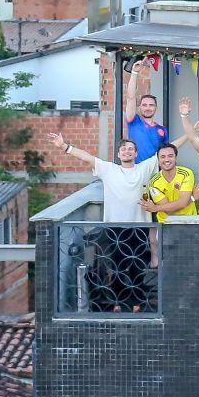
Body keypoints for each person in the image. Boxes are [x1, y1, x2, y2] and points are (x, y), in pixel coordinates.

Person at [49, 131, 158, 312]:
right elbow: (88, 158)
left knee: (137, 266)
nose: (127, 151)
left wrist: (188, 132)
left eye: (131, 149)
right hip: (114, 227)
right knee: (116, 267)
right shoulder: (109, 169)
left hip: (139, 226)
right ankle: (118, 302)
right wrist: (64, 146)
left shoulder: (144, 169)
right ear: (118, 154)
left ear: (136, 154)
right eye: (123, 149)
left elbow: (166, 152)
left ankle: (136, 302)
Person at [121, 62, 170, 162]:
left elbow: (166, 153)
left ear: (156, 108)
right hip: (135, 169)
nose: (148, 108)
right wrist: (134, 73)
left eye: (151, 105)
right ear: (139, 108)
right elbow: (130, 98)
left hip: (154, 172)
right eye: (144, 105)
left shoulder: (162, 130)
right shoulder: (134, 121)